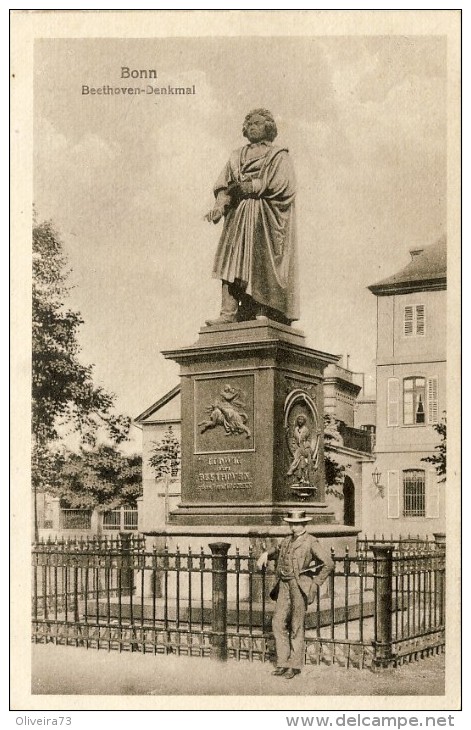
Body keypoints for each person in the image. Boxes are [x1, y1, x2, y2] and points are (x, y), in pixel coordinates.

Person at [205, 108, 299, 326]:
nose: (252, 126)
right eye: (249, 123)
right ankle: (228, 312)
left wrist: (251, 186)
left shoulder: (278, 155)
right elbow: (223, 185)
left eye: (258, 123)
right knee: (230, 262)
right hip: (237, 217)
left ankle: (261, 307)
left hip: (263, 219)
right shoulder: (236, 156)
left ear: (268, 127)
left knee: (259, 262)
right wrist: (220, 205)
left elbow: (284, 185)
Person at [256, 509, 334, 679]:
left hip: (299, 587)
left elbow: (328, 563)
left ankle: (294, 665)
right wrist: (265, 554)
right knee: (277, 622)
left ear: (304, 524)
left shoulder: (311, 541)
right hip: (283, 585)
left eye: (297, 524)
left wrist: (315, 583)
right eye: (291, 524)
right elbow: (276, 550)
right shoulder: (286, 541)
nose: (293, 527)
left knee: (296, 626)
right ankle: (282, 663)